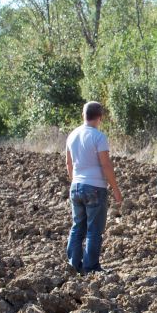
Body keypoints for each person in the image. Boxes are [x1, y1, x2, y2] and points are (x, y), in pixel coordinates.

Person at [65, 102, 122, 274]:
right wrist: (116, 189)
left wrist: (75, 182)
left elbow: (68, 163)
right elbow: (106, 165)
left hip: (76, 186)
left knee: (77, 227)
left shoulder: (72, 135)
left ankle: (73, 265)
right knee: (94, 230)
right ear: (100, 117)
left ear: (83, 115)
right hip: (95, 187)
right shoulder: (98, 137)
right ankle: (90, 267)